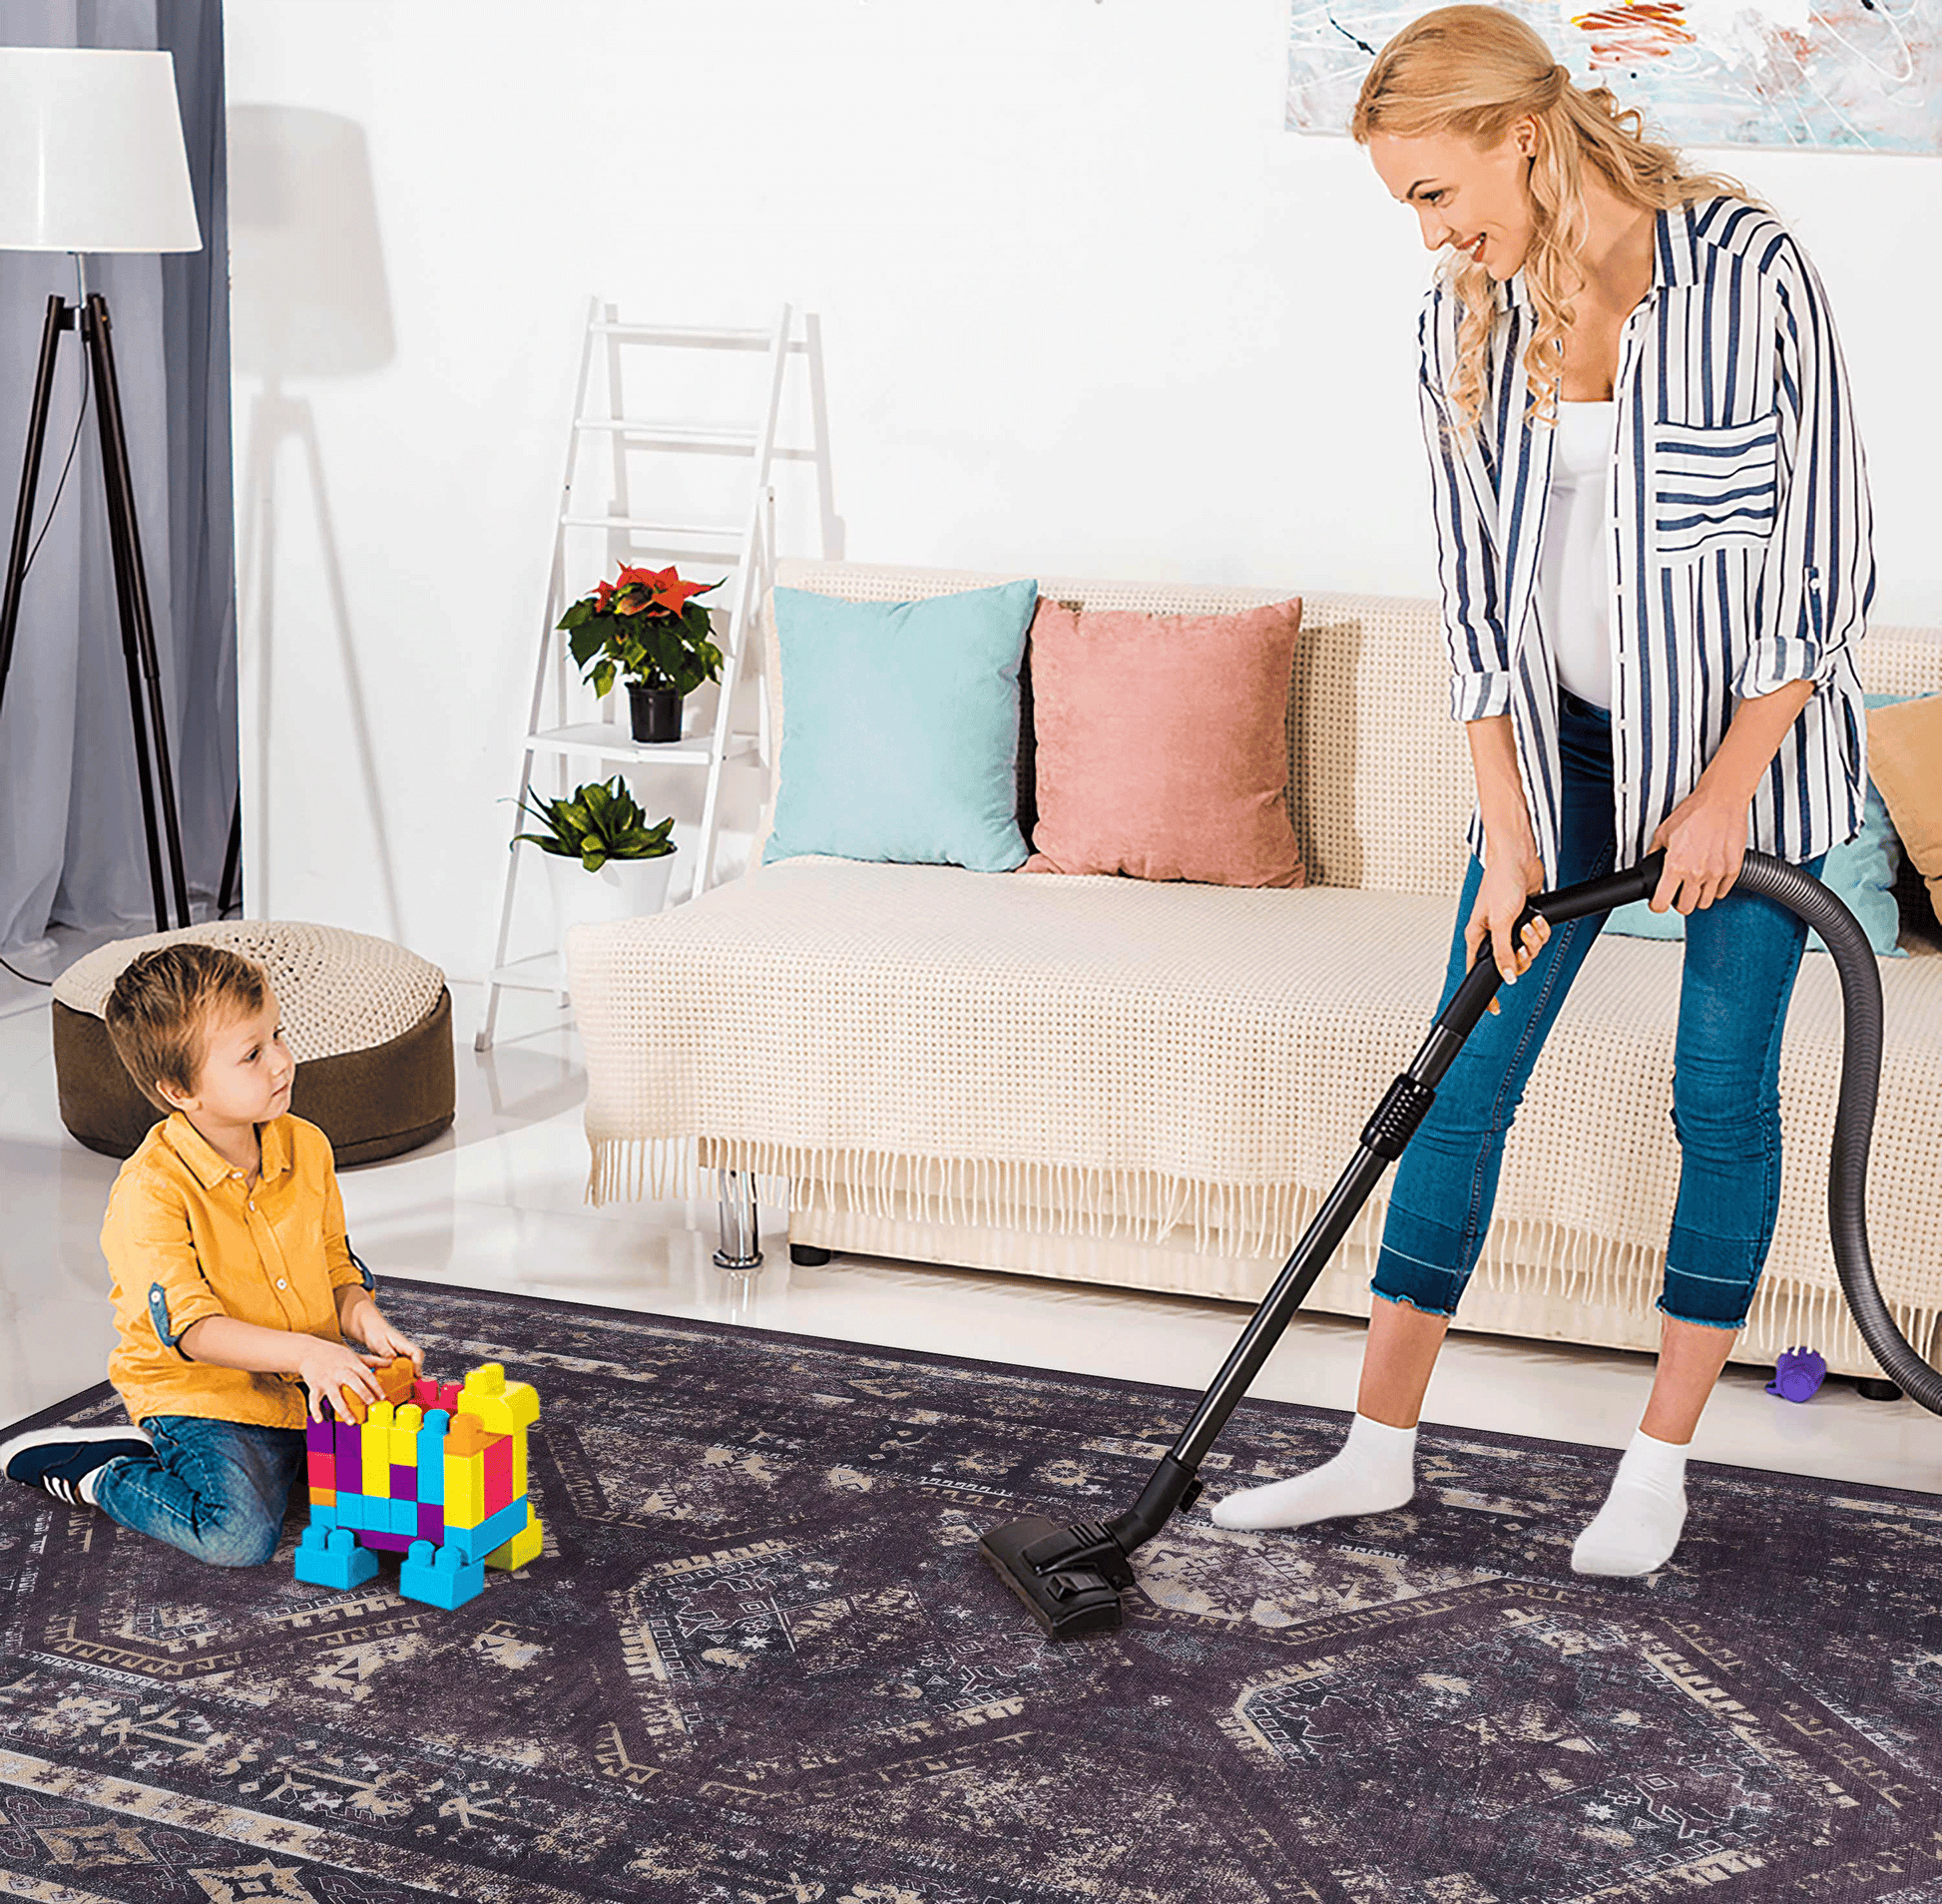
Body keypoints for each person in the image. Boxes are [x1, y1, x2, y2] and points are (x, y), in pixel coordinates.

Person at [1214, 5, 1872, 1576]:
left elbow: (1822, 561)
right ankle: (1374, 1449)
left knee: (1718, 1096)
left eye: (1435, 194)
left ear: (1519, 135)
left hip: (1751, 759)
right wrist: (1506, 832)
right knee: (1460, 1077)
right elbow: (1471, 604)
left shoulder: (1745, 273)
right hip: (1560, 753)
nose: (1429, 233)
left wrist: (1722, 790)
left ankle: (1655, 1469)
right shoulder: (1463, 319)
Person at [0, 942, 423, 1565]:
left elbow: (336, 1265)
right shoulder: (150, 1192)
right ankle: (105, 1468)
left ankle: (286, 1448)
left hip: (295, 1378)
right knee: (239, 1537)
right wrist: (310, 1353)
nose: (281, 1062)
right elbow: (195, 1332)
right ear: (179, 1089)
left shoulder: (307, 1146)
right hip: (202, 1395)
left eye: (277, 1035)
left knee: (402, 1473)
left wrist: (366, 1322)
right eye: (252, 1055)